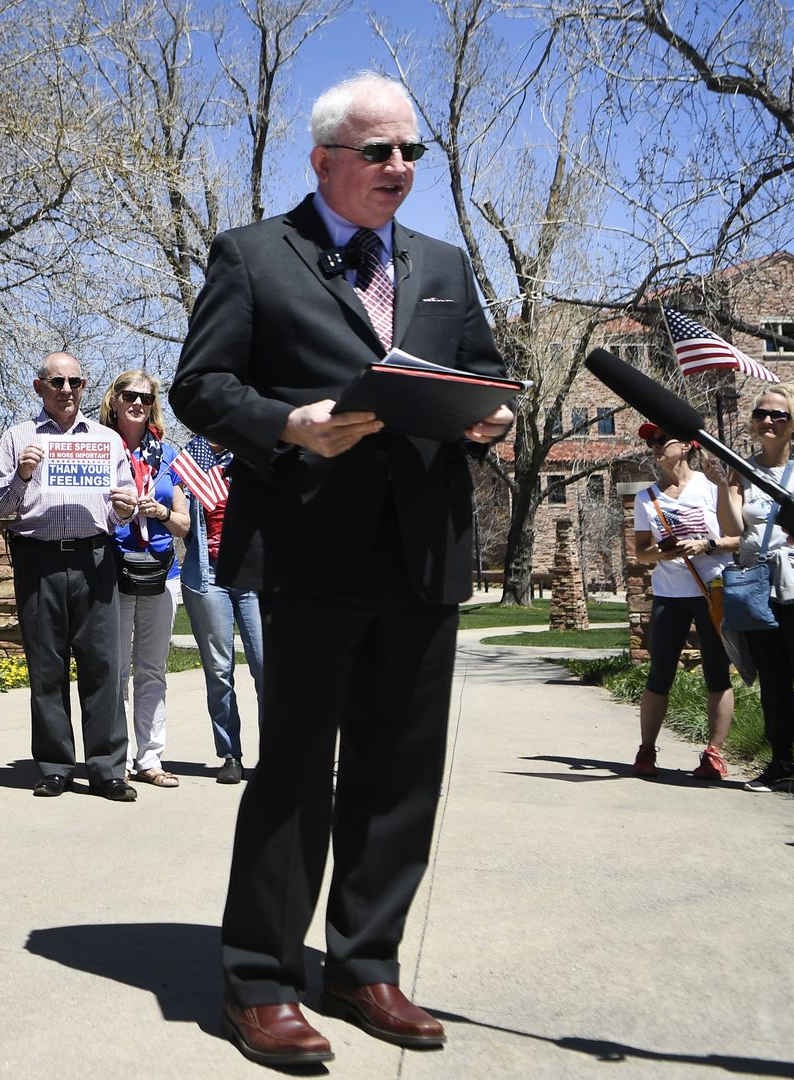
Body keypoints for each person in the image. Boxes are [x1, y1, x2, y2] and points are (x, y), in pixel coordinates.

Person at [169, 72, 514, 1066]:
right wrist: (288, 425)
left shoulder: (444, 265)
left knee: (400, 773)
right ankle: (261, 981)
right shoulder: (254, 256)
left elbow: (485, 372)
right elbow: (201, 385)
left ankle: (366, 965)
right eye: (379, 152)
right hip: (309, 553)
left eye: (412, 151)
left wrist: (495, 414)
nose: (400, 168)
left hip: (425, 555)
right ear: (325, 160)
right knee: (295, 776)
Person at [0, 352, 139, 802]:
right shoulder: (18, 438)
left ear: (85, 386)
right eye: (57, 382)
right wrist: (23, 474)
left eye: (74, 382)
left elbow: (119, 503)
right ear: (39, 388)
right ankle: (54, 766)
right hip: (39, 561)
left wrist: (125, 508)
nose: (67, 390)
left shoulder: (106, 440)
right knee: (46, 666)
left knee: (104, 665)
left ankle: (108, 769)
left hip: (96, 559)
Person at [100, 370, 191, 789]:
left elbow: (184, 523)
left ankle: (150, 757)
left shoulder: (169, 456)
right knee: (115, 668)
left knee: (152, 669)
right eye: (129, 394)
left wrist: (160, 513)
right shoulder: (97, 449)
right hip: (113, 569)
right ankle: (113, 757)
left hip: (160, 571)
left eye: (145, 397)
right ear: (114, 400)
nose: (137, 402)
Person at [630, 422, 735, 780]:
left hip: (713, 591)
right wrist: (662, 552)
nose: (656, 447)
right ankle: (646, 751)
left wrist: (704, 545)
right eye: (651, 444)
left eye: (663, 440)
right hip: (670, 594)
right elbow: (641, 553)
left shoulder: (711, 489)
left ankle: (714, 754)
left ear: (688, 446)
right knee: (659, 673)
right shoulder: (647, 498)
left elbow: (738, 539)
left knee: (717, 673)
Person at [718, 391, 794, 795]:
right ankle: (781, 763)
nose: (768, 420)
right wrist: (729, 491)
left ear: (792, 423)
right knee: (774, 680)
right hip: (758, 588)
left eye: (778, 415)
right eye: (761, 413)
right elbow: (733, 530)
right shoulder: (742, 471)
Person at [177, 436, 263, 784]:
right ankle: (230, 754)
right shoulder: (190, 460)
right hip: (209, 575)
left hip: (255, 574)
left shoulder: (252, 454)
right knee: (219, 669)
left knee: (267, 666)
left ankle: (278, 755)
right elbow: (180, 519)